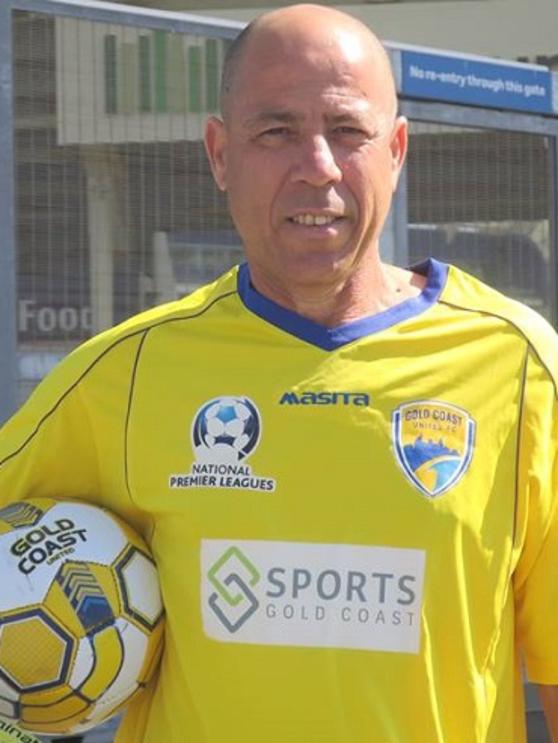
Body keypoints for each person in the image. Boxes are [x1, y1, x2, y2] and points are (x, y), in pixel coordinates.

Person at [0, 4, 557, 741]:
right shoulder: (125, 375)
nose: (318, 166)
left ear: (396, 150)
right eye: (277, 132)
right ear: (221, 154)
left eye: (348, 131)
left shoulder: (519, 366)